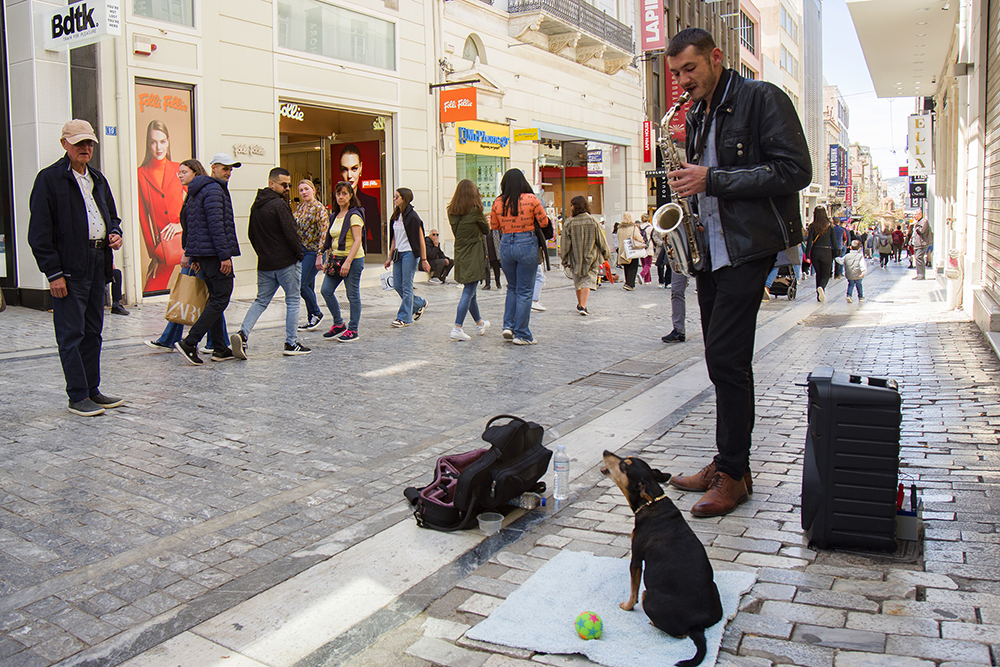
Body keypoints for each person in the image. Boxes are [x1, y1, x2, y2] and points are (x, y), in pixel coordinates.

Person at [662, 28, 811, 517]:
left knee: (728, 359)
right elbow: (705, 180)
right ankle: (727, 463)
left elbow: (796, 170)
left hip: (749, 249)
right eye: (676, 73)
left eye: (691, 69)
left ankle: (734, 473)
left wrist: (713, 179)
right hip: (709, 252)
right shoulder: (698, 114)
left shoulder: (761, 97)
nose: (683, 81)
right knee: (719, 358)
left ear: (717, 58)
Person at [28, 119, 125, 416]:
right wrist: (53, 273)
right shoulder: (50, 179)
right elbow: (40, 231)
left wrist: (114, 232)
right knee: (71, 333)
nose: (85, 148)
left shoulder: (97, 178)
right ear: (64, 144)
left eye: (89, 143)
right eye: (79, 143)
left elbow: (111, 215)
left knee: (94, 330)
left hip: (98, 262)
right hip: (70, 266)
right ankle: (77, 395)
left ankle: (92, 389)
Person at [145, 160, 228, 353]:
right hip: (198, 253)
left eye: (184, 172)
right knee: (212, 298)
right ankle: (216, 343)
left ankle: (185, 341)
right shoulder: (195, 193)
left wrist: (190, 255)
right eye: (179, 172)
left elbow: (204, 227)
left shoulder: (201, 192)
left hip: (198, 254)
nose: (180, 175)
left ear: (195, 172)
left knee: (204, 297)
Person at [230, 167, 310, 358]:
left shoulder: (256, 205)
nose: (287, 188)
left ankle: (243, 334)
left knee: (260, 301)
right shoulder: (279, 205)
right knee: (292, 300)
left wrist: (263, 253)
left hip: (265, 264)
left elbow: (251, 234)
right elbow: (291, 234)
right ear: (271, 183)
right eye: (284, 184)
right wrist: (299, 255)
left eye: (289, 185)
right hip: (285, 263)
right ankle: (291, 343)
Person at [174, 153, 242, 365]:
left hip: (204, 254)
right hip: (215, 254)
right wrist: (224, 256)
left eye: (231, 169)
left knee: (214, 298)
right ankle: (190, 343)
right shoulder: (213, 189)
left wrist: (194, 255)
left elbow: (192, 225)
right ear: (213, 167)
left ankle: (220, 348)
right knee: (221, 297)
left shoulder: (198, 190)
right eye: (225, 168)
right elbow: (215, 226)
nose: (228, 173)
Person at [489, 169, 550, 345]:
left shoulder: (498, 201)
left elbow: (494, 225)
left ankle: (508, 326)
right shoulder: (532, 199)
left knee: (512, 288)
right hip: (526, 243)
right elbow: (544, 222)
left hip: (506, 244)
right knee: (524, 290)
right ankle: (522, 333)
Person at [136, 120, 184, 292]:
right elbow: (143, 218)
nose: (158, 147)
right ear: (148, 143)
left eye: (162, 141)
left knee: (196, 290)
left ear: (168, 142)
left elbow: (198, 200)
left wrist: (181, 225)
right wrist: (153, 254)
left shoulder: (179, 169)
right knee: (152, 290)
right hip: (163, 247)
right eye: (153, 142)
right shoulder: (141, 174)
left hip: (186, 239)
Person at [318, 181, 365, 342]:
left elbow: (358, 240)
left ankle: (353, 329)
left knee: (352, 295)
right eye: (338, 193)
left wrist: (348, 262)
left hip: (353, 259)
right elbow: (332, 240)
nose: (341, 196)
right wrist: (327, 260)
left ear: (351, 196)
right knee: (325, 290)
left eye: (344, 193)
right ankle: (338, 323)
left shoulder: (354, 215)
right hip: (336, 258)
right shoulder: (335, 216)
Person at [446, 179, 491, 340]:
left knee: (471, 292)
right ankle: (457, 328)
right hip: (473, 253)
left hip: (460, 252)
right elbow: (486, 230)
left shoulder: (451, 211)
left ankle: (480, 324)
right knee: (468, 291)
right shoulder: (476, 211)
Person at [384, 188, 431, 327]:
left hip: (410, 254)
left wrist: (424, 259)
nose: (394, 199)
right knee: (397, 284)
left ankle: (404, 317)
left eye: (397, 197)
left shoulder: (413, 217)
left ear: (404, 198)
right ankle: (419, 303)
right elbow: (394, 239)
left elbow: (421, 239)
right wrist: (389, 256)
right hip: (398, 254)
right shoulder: (396, 216)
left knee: (406, 286)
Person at [560, 195, 609, 316]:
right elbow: (601, 239)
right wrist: (606, 253)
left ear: (574, 207)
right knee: (588, 281)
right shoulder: (593, 221)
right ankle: (583, 305)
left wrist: (564, 258)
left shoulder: (569, 223)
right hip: (591, 256)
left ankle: (580, 304)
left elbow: (565, 243)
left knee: (578, 281)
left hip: (575, 257)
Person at [295, 179, 328, 331]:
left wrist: (320, 255)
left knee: (301, 285)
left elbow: (324, 233)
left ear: (313, 190)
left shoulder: (319, 208)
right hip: (302, 251)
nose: (304, 192)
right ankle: (311, 318)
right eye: (301, 190)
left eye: (306, 189)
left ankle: (316, 312)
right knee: (308, 285)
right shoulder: (300, 207)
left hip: (314, 251)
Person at [340, 144, 380, 251]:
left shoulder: (370, 202)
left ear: (360, 168)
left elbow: (378, 240)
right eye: (344, 169)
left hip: (359, 254)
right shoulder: (333, 200)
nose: (349, 175)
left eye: (354, 168)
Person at [805, 206, 838, 302]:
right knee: (826, 274)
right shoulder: (829, 225)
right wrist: (836, 253)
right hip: (826, 251)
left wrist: (807, 255)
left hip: (815, 252)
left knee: (818, 273)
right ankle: (822, 287)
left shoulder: (812, 226)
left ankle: (818, 295)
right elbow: (834, 242)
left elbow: (809, 242)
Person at [616, 212, 646, 290]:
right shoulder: (633, 227)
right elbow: (638, 237)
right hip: (631, 249)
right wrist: (643, 241)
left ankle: (627, 281)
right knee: (633, 265)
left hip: (623, 249)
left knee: (626, 265)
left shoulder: (620, 228)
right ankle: (630, 283)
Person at [911, 210, 932, 280]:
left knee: (919, 257)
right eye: (914, 215)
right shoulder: (917, 222)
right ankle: (919, 274)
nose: (914, 216)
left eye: (916, 214)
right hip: (916, 243)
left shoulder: (924, 221)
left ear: (920, 214)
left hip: (922, 243)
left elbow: (921, 231)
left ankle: (921, 275)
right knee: (917, 259)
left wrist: (916, 225)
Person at [638, 213, 656, 284]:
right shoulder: (650, 227)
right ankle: (642, 275)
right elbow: (654, 237)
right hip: (648, 246)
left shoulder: (639, 227)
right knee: (648, 264)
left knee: (644, 264)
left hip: (641, 246)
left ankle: (647, 280)